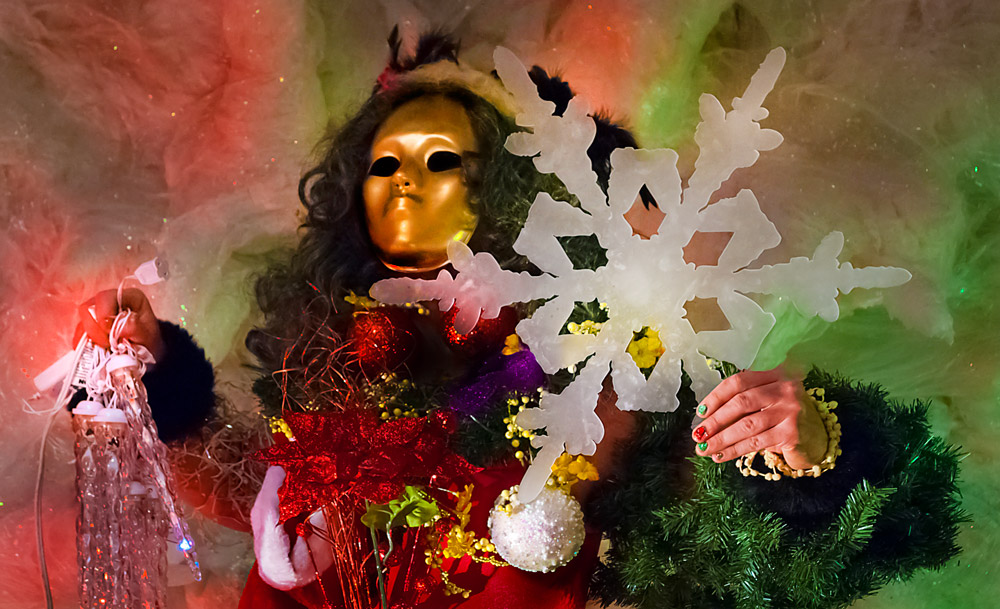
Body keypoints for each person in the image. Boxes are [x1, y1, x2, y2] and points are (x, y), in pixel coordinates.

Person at [77, 30, 962, 609]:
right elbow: (246, 495)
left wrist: (806, 458)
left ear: (508, 186)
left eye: (439, 158)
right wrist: (152, 371)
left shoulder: (605, 364)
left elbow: (728, 549)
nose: (403, 182)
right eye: (383, 163)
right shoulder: (329, 344)